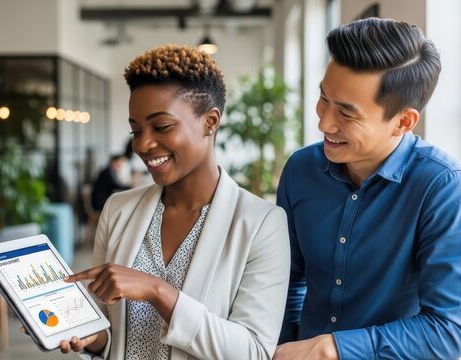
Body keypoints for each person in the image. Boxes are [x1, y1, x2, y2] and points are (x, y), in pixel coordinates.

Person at [57, 44, 290, 359]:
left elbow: (253, 351)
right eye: (135, 130)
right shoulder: (118, 209)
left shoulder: (262, 224)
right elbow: (112, 335)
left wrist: (158, 292)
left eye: (161, 127)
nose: (143, 144)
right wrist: (92, 336)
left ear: (210, 122)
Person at [274, 18, 461, 360]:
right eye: (323, 98)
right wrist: (280, 347)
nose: (324, 122)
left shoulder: (447, 189)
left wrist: (334, 348)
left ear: (403, 122)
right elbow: (286, 281)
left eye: (347, 113)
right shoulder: (300, 170)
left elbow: (448, 330)